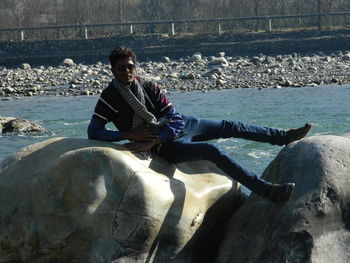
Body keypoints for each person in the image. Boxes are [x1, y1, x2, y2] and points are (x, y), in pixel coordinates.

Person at [87, 46, 312, 203]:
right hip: (164, 148)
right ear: (112, 71)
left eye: (130, 67)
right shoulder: (109, 97)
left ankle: (282, 137)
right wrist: (129, 135)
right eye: (121, 68)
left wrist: (157, 136)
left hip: (178, 129)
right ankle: (266, 191)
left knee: (229, 125)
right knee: (211, 151)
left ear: (135, 67)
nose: (127, 72)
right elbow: (94, 131)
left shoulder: (149, 86)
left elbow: (174, 117)